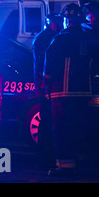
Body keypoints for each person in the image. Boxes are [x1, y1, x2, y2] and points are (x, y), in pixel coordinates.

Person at [43, 3, 99, 177]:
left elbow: (50, 64)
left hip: (62, 91)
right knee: (78, 126)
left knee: (61, 128)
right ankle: (79, 160)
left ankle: (64, 166)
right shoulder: (89, 37)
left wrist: (47, 81)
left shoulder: (60, 38)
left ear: (66, 20)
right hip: (83, 91)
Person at [32, 14, 63, 166]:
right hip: (44, 84)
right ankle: (44, 153)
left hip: (50, 84)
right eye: (57, 23)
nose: (60, 25)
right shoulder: (43, 39)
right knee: (46, 119)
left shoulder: (53, 37)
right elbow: (43, 63)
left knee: (53, 119)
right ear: (50, 23)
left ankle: (50, 151)